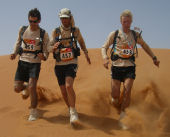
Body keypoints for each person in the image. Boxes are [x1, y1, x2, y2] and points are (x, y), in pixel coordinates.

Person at [101, 9, 160, 129]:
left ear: (131, 22)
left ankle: (123, 117)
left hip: (130, 68)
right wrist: (105, 58)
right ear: (121, 22)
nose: (126, 24)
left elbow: (144, 45)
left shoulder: (135, 35)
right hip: (117, 67)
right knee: (115, 94)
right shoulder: (115, 34)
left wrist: (154, 57)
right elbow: (104, 47)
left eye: (128, 22)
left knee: (128, 90)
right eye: (124, 22)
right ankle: (115, 100)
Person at [48, 8, 91, 125]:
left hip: (71, 63)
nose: (64, 20)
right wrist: (53, 47)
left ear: (70, 18)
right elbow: (49, 46)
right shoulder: (55, 31)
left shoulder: (75, 30)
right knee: (63, 91)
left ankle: (72, 113)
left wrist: (86, 53)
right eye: (62, 18)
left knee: (68, 86)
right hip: (59, 64)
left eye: (66, 18)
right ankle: (72, 109)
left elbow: (81, 42)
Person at [10, 8, 49, 121]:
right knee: (17, 89)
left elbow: (47, 48)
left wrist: (44, 56)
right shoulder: (22, 30)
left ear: (39, 21)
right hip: (22, 62)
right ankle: (26, 87)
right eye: (30, 21)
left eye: (35, 21)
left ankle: (33, 111)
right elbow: (18, 42)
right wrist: (14, 52)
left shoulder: (43, 33)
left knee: (32, 87)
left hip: (35, 63)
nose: (32, 24)